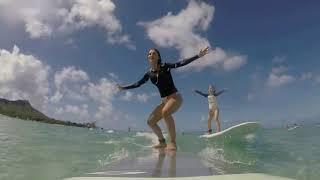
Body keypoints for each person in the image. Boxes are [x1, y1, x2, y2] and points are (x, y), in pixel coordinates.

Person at [117, 47, 210, 150]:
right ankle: (162, 142)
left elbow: (181, 63)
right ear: (148, 58)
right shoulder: (149, 74)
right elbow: (138, 84)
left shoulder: (165, 66)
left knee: (165, 112)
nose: (151, 55)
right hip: (164, 101)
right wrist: (124, 88)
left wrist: (198, 56)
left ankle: (173, 143)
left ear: (158, 57)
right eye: (149, 54)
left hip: (175, 97)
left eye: (154, 53)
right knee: (150, 122)